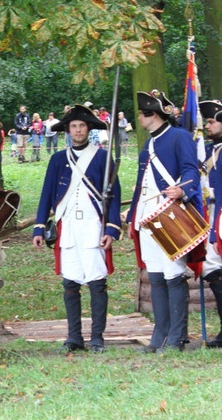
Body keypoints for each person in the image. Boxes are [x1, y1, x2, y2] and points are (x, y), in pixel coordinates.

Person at [32, 104, 122, 353]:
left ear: (88, 129)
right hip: (68, 226)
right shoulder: (58, 159)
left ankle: (97, 338)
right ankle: (74, 337)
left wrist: (111, 229)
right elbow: (46, 194)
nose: (78, 130)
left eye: (82, 125)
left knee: (96, 282)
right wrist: (39, 228)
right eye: (74, 126)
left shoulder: (102, 157)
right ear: (68, 130)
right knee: (70, 282)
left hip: (93, 225)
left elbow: (114, 195)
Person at [127, 90, 203, 353]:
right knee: (156, 276)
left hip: (170, 215)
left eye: (141, 113)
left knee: (173, 275)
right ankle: (159, 336)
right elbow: (141, 185)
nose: (138, 117)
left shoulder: (179, 137)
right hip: (147, 219)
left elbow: (191, 170)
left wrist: (182, 190)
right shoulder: (147, 144)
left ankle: (177, 337)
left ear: (152, 114)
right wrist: (131, 218)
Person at [198, 100, 222, 348]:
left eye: (212, 121)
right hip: (210, 216)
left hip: (221, 216)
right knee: (212, 270)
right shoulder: (205, 151)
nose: (207, 125)